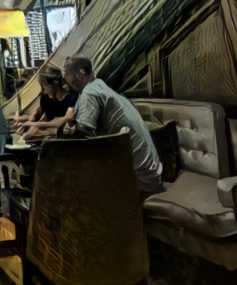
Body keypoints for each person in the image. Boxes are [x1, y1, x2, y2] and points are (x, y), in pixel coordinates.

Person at [62, 55, 163, 196]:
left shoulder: (89, 92)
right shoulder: (97, 85)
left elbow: (82, 134)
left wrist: (70, 130)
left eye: (66, 73)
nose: (64, 80)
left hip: (139, 179)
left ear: (80, 72)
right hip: (151, 172)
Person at [10, 66, 76, 139]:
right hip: (52, 135)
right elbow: (41, 117)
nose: (42, 90)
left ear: (53, 84)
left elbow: (62, 121)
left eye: (43, 86)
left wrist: (33, 124)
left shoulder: (71, 98)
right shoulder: (45, 99)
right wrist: (22, 124)